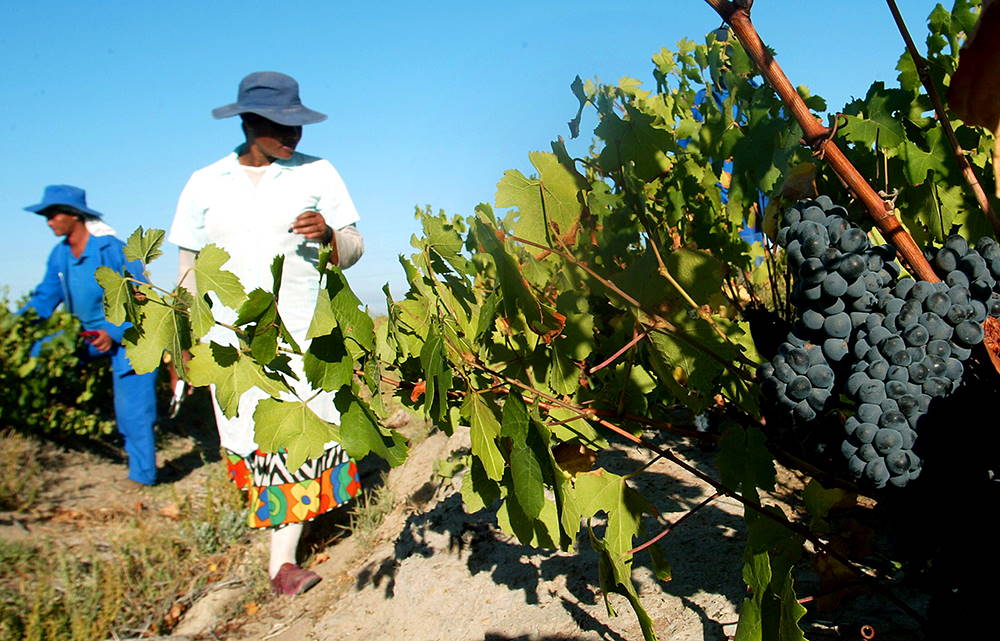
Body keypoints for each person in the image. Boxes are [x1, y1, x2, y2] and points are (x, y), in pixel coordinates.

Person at [168, 71, 365, 596]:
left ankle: (282, 562)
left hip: (303, 332)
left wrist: (328, 235)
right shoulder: (204, 183)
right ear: (250, 122)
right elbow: (187, 270)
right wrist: (181, 340)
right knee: (254, 439)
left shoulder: (318, 173)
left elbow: (355, 245)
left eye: (298, 126)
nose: (294, 136)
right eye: (283, 126)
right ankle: (282, 551)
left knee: (294, 432)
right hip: (229, 340)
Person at [21, 184, 159, 487]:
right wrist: (16, 329)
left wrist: (113, 332)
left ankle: (143, 477)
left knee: (133, 411)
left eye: (53, 214)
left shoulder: (112, 249)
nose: (49, 221)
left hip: (131, 337)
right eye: (47, 216)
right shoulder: (61, 256)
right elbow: (44, 297)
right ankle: (36, 436)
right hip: (87, 335)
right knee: (37, 356)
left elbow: (145, 298)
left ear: (74, 216)